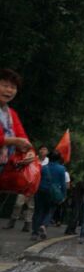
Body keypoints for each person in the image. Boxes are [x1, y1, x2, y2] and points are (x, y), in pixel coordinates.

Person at [0, 69, 34, 228]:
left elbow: (23, 137)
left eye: (13, 87)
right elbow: (16, 139)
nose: (9, 90)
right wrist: (12, 140)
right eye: (5, 85)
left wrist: (29, 152)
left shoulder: (10, 113)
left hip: (4, 166)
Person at [31, 150, 67, 241]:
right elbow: (63, 184)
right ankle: (43, 225)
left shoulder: (43, 167)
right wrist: (63, 195)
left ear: (49, 158)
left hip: (41, 190)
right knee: (50, 211)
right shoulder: (61, 169)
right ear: (59, 159)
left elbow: (37, 179)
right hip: (53, 193)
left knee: (38, 211)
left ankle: (34, 233)